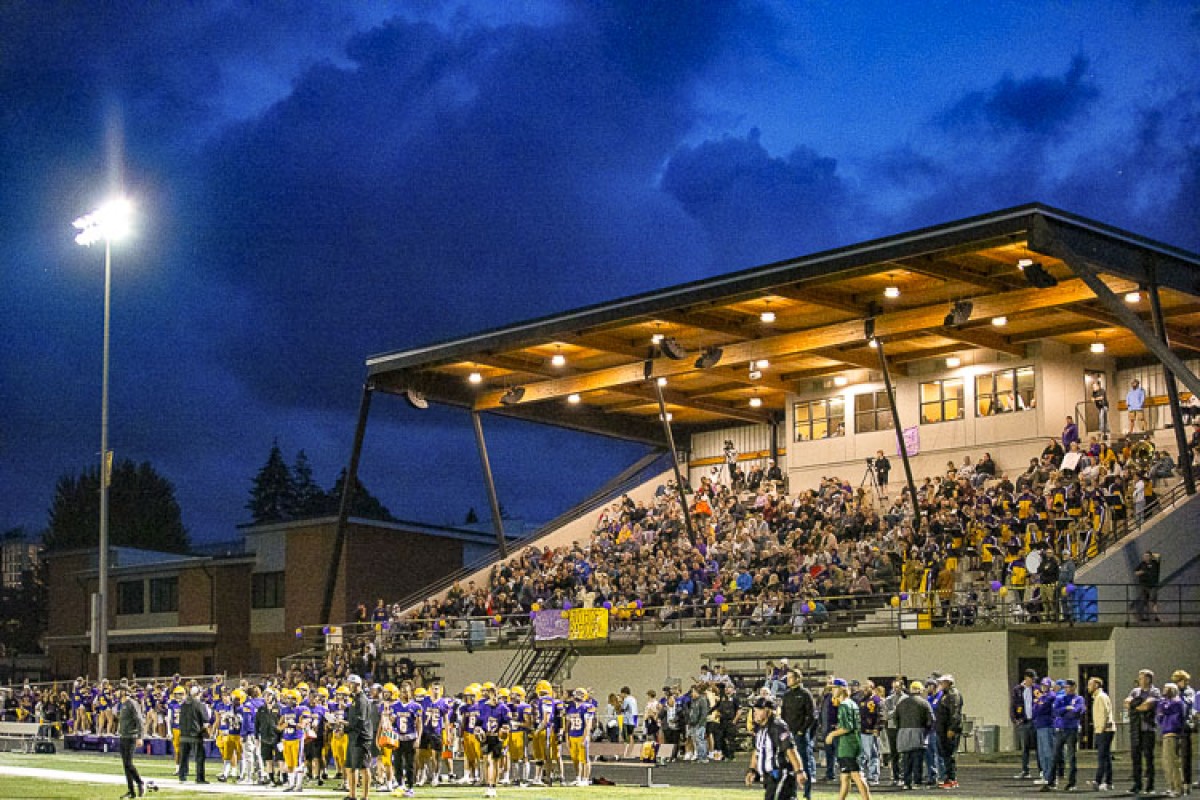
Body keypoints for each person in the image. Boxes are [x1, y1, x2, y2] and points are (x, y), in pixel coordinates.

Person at [746, 696, 806, 800]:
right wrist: (752, 770)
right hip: (769, 777)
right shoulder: (760, 729)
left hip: (780, 774)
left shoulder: (778, 726)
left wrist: (799, 771)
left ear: (768, 711)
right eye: (754, 710)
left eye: (759, 710)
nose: (755, 713)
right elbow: (757, 751)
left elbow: (790, 750)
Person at [825, 679, 871, 800]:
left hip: (848, 745)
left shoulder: (844, 705)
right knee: (844, 777)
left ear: (842, 689)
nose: (832, 690)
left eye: (834, 688)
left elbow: (847, 727)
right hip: (849, 744)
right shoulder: (851, 703)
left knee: (857, 775)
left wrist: (832, 734)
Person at [1043, 679, 1085, 792]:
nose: (1068, 689)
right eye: (1066, 687)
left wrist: (1065, 713)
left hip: (1072, 730)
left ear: (1074, 687)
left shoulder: (1079, 699)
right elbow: (1055, 712)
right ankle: (1051, 782)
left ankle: (1072, 783)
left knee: (1071, 757)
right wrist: (1066, 709)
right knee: (1055, 756)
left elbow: (1077, 712)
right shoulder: (1060, 698)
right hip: (1060, 729)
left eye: (1070, 687)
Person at [781, 668, 816, 800]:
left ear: (797, 679)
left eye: (790, 677)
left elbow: (811, 715)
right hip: (788, 734)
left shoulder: (805, 694)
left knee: (803, 764)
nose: (788, 680)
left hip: (800, 734)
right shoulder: (787, 694)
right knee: (789, 765)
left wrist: (802, 730)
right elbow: (783, 714)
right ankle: (792, 793)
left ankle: (807, 793)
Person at [1125, 669, 1161, 795]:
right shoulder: (1135, 691)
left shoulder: (1154, 691)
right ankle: (1137, 784)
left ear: (1148, 679)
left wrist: (1136, 706)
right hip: (1136, 728)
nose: (1139, 680)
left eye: (1141, 678)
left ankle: (1150, 786)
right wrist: (1137, 706)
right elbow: (1127, 703)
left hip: (1148, 729)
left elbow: (1147, 706)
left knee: (1148, 757)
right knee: (1135, 758)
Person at [894, 680, 932, 791]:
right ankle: (917, 782)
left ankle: (906, 782)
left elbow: (895, 718)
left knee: (906, 760)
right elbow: (931, 720)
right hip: (918, 732)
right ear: (920, 690)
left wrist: (901, 728)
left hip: (903, 733)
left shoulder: (901, 703)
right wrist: (926, 731)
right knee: (917, 760)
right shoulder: (924, 703)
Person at [345, 674, 373, 800]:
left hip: (361, 737)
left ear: (357, 685)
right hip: (353, 736)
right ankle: (352, 795)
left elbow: (359, 721)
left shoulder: (362, 700)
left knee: (363, 767)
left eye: (350, 683)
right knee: (351, 767)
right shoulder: (355, 699)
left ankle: (365, 797)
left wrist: (344, 726)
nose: (348, 685)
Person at [116, 681, 146, 799]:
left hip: (131, 737)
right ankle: (131, 791)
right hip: (123, 736)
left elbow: (139, 720)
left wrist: (140, 737)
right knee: (125, 765)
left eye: (118, 690)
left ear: (123, 691)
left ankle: (139, 782)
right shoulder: (122, 704)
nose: (116, 693)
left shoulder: (131, 703)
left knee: (128, 763)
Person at [1157, 683, 1187, 798]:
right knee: (1166, 763)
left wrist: (1162, 708)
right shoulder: (1166, 702)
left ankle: (1178, 788)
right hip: (1166, 733)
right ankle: (1171, 786)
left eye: (1166, 689)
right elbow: (1159, 715)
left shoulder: (1177, 702)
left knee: (1173, 763)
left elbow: (1164, 709)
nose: (1163, 691)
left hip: (1173, 733)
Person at [934, 675, 962, 789]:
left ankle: (951, 779)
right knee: (945, 755)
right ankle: (948, 778)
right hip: (942, 729)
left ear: (948, 683)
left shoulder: (953, 695)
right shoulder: (944, 694)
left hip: (948, 730)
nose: (941, 684)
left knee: (949, 755)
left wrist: (952, 728)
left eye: (943, 682)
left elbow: (955, 713)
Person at [177, 685, 209, 785]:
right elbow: (205, 721)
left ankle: (182, 776)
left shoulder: (183, 704)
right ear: (198, 694)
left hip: (183, 734)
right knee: (199, 757)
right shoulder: (200, 704)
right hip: (195, 734)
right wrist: (206, 732)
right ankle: (199, 778)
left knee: (184, 757)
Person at [1089, 676, 1116, 792]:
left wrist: (1100, 729)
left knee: (1102, 757)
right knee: (1106, 757)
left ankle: (1098, 781)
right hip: (1103, 729)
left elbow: (1104, 715)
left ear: (1096, 685)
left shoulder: (1100, 697)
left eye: (1090, 684)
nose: (1088, 687)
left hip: (1104, 730)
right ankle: (1108, 782)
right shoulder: (1099, 697)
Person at [1011, 669, 1038, 780]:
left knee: (1038, 747)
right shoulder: (1018, 690)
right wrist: (1015, 719)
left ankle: (1041, 770)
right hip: (1024, 721)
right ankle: (1025, 770)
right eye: (1031, 679)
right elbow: (1013, 704)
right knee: (1025, 748)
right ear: (1026, 678)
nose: (1033, 681)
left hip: (1035, 721)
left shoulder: (1036, 689)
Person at [1135, 551, 1162, 622]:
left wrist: (1151, 554)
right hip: (1144, 585)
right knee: (1144, 601)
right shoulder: (1142, 564)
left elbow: (1158, 556)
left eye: (1147, 556)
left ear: (1150, 556)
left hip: (1153, 585)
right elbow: (1136, 572)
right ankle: (1145, 617)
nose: (1145, 557)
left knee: (1153, 600)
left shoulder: (1155, 563)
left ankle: (1156, 617)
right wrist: (1142, 572)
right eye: (1144, 556)